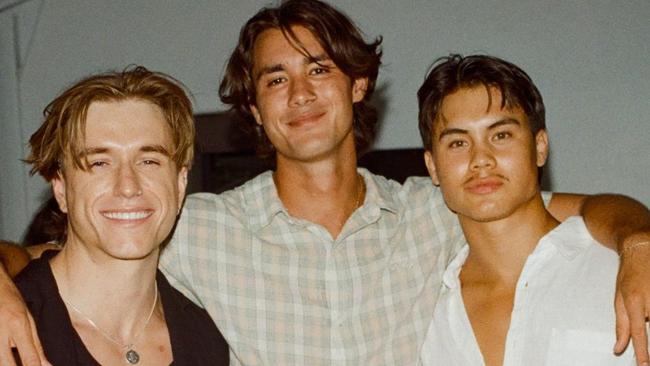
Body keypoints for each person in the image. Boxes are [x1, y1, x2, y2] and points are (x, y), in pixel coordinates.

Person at [1, 1, 649, 365]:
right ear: (252, 108)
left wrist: (640, 240)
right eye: (275, 79)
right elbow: (47, 258)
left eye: (319, 69)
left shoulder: (435, 208)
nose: (301, 93)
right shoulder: (195, 226)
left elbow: (584, 208)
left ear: (358, 83)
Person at [417, 54, 642, 365]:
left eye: (501, 135)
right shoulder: (426, 309)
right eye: (458, 143)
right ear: (433, 167)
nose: (481, 158)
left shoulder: (623, 270)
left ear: (540, 147)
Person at [12, 66, 229, 365]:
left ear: (180, 185)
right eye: (99, 163)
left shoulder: (205, 340)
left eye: (149, 161)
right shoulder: (14, 332)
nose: (128, 186)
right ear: (61, 189)